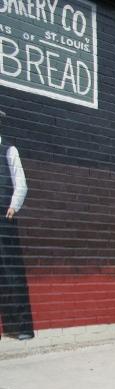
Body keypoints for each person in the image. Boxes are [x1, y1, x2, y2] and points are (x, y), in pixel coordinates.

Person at [0, 109, 34, 340]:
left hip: (4, 217)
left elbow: (20, 183)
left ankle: (21, 327)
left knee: (11, 271)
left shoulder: (9, 150)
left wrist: (13, 206)